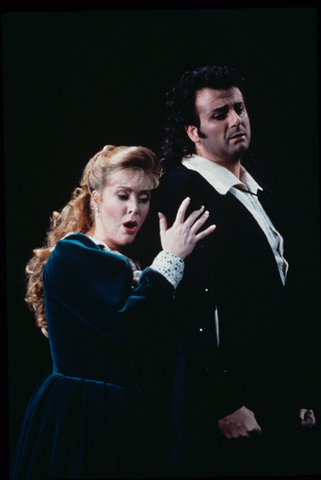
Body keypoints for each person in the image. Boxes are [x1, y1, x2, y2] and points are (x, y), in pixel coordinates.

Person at [148, 65, 321, 476]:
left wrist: (299, 392)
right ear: (194, 132)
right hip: (229, 408)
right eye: (219, 114)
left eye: (239, 108)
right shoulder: (181, 190)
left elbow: (283, 301)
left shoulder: (261, 193)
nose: (236, 120)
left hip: (274, 398)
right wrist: (220, 402)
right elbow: (189, 306)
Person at [10, 144, 216, 479]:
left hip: (125, 419)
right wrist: (172, 258)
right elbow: (128, 323)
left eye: (144, 198)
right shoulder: (72, 253)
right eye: (123, 195)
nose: (134, 209)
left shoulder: (127, 264)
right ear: (96, 198)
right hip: (86, 418)